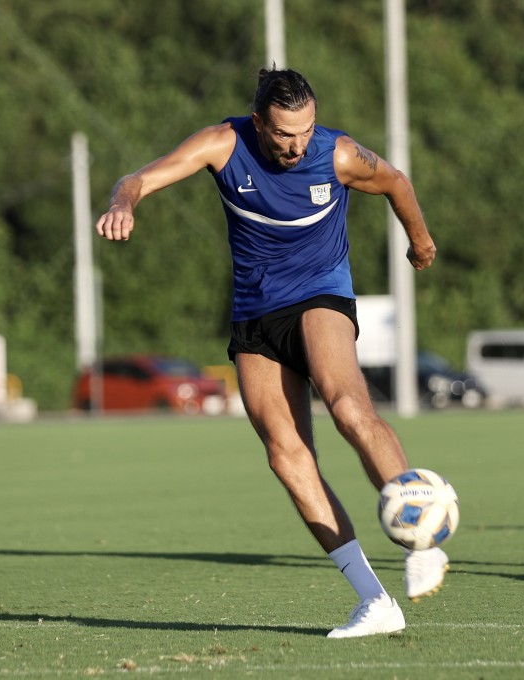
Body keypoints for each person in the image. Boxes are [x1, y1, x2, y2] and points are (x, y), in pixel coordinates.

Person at [95, 68, 447, 637]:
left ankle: (422, 539)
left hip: (321, 293)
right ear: (259, 122)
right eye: (284, 133)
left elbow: (397, 183)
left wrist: (421, 241)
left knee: (348, 407)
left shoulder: (339, 155)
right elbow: (137, 179)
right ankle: (375, 602)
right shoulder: (223, 144)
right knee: (286, 456)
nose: (297, 145)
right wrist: (124, 204)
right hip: (255, 312)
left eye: (306, 130)